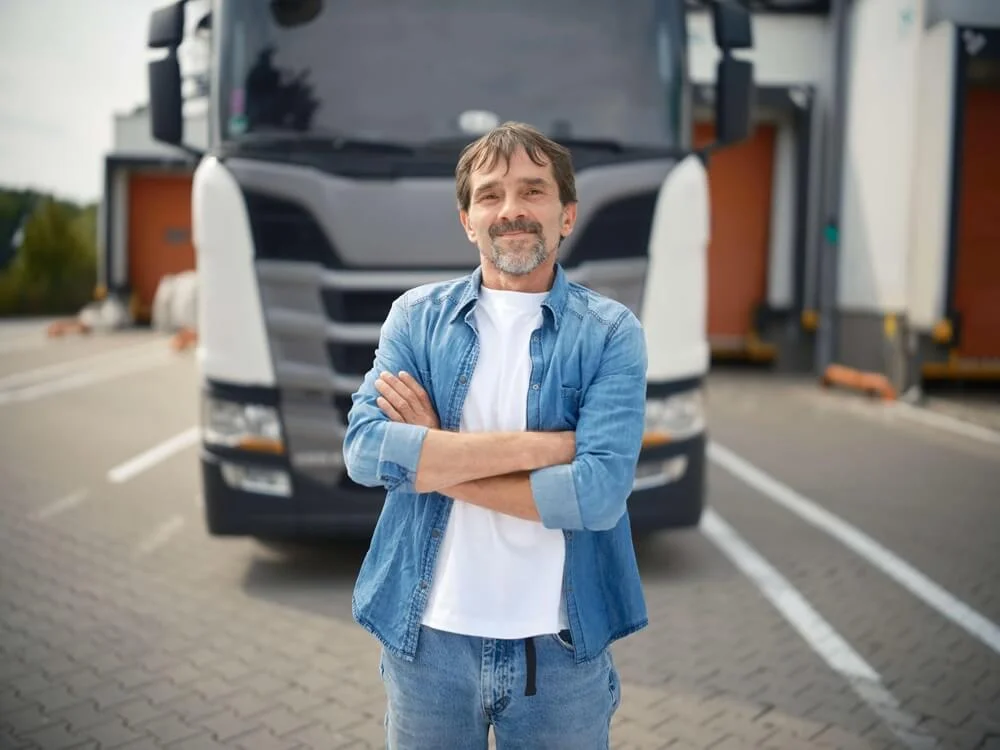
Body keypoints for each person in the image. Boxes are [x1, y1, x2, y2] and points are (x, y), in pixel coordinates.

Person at [342, 121, 649, 749]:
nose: (511, 209)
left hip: (560, 653)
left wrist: (434, 457)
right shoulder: (416, 319)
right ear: (467, 220)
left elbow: (597, 496)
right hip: (427, 645)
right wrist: (544, 448)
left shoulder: (610, 333)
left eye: (532, 190)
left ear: (566, 215)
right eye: (490, 195)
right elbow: (364, 451)